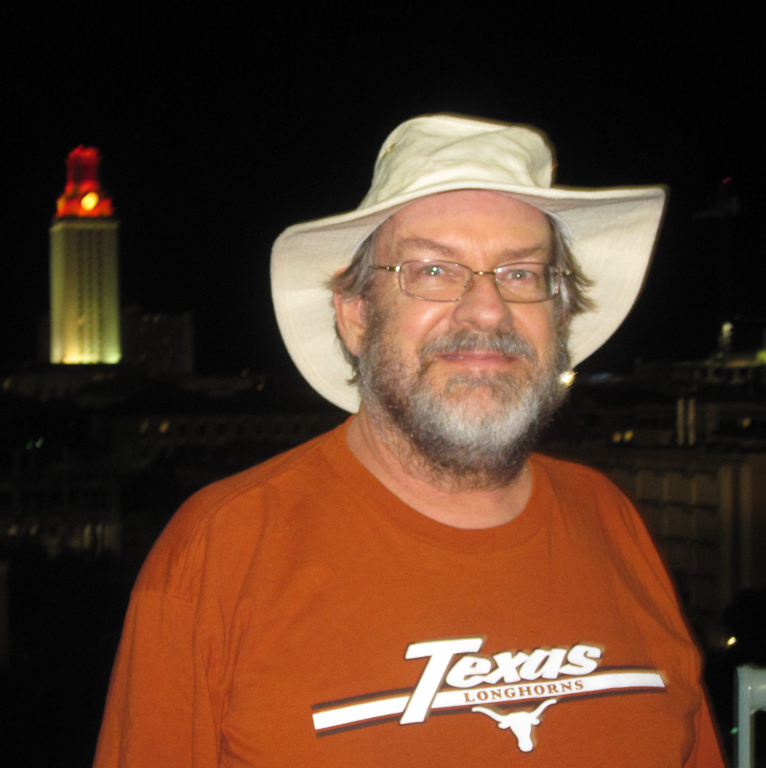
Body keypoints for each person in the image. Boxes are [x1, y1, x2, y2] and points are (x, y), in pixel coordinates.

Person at [92, 114, 724, 766]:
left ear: (559, 314)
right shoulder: (220, 553)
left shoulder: (611, 520)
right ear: (357, 315)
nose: (486, 311)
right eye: (431, 270)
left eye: (521, 274)